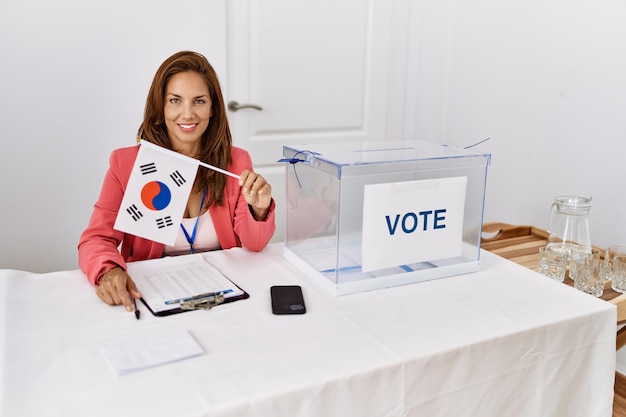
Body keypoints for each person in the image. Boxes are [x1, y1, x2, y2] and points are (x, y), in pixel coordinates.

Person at [78, 51, 276, 312]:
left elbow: (254, 244)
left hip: (224, 299)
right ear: (161, 107)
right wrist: (109, 270)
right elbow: (96, 239)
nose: (187, 114)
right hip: (152, 296)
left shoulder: (236, 161)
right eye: (175, 100)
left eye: (199, 101)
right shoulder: (127, 165)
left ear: (212, 108)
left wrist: (258, 210)